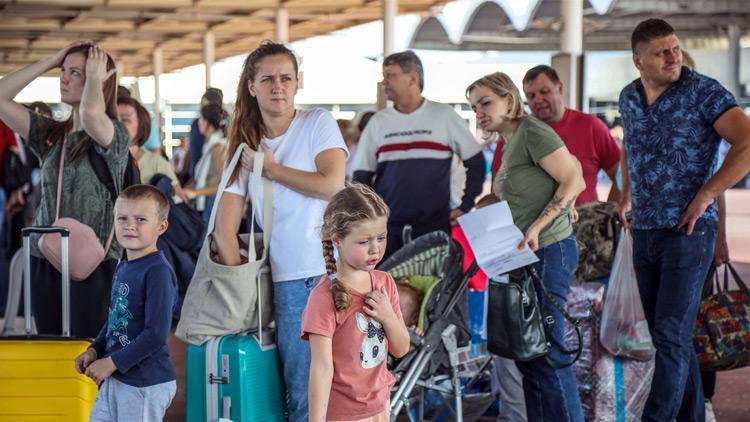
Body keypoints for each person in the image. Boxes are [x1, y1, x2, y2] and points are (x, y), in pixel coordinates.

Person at [617, 18, 750, 421]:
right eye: (662, 52)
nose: (673, 57)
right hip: (645, 231)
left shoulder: (705, 92)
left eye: (675, 48)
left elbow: (746, 141)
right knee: (669, 338)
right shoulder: (628, 97)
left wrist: (706, 194)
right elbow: (631, 145)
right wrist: (626, 192)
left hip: (690, 232)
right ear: (639, 60)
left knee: (672, 336)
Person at [213, 41, 347, 422]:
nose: (278, 86)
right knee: (304, 398)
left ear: (297, 83)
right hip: (289, 282)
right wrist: (242, 285)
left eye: (286, 78)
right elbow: (224, 231)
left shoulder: (317, 122)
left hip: (338, 273)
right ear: (251, 86)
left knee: (347, 387)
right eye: (268, 79)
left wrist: (269, 170)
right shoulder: (243, 148)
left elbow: (333, 184)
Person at [467, 72, 585, 422]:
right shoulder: (509, 141)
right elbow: (565, 172)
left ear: (509, 98)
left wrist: (539, 224)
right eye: (474, 107)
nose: (480, 112)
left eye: (486, 102)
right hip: (524, 255)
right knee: (530, 357)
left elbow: (573, 176)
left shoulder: (531, 131)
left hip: (548, 250)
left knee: (548, 354)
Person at [0, 41, 130, 337]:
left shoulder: (115, 134)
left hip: (96, 261)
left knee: (88, 350)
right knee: (51, 347)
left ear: (98, 78)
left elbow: (92, 115)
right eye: (63, 71)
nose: (64, 78)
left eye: (76, 73)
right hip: (45, 256)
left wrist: (97, 78)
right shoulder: (51, 134)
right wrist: (51, 60)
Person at [352, 51, 486, 260]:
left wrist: (465, 204)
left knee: (432, 290)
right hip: (387, 232)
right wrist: (368, 221)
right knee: (390, 291)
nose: (384, 81)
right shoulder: (378, 122)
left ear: (412, 78)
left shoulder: (443, 116)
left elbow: (476, 162)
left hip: (433, 228)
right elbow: (361, 179)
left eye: (390, 75)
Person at [302, 183, 409, 422]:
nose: (375, 249)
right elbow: (321, 368)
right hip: (343, 415)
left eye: (381, 238)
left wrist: (388, 316)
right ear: (337, 239)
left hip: (380, 406)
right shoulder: (322, 297)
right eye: (363, 242)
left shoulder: (385, 282)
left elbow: (400, 349)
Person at [75, 184, 178, 421]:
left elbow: (155, 334)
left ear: (161, 227)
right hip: (116, 377)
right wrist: (95, 349)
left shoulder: (158, 272)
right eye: (122, 218)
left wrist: (111, 362)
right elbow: (115, 319)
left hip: (144, 383)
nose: (129, 225)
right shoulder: (123, 266)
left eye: (141, 219)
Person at [522, 65, 621, 204]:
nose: (538, 99)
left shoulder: (591, 126)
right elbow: (498, 187)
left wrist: (609, 212)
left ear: (560, 88)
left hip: (583, 221)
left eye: (544, 92)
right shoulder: (519, 133)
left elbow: (621, 176)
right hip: (532, 223)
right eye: (531, 96)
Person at [116, 96, 188, 202]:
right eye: (113, 119)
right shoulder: (100, 161)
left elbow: (180, 199)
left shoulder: (157, 163)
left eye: (125, 119)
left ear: (141, 125)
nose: (117, 125)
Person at [184, 103, 227, 222]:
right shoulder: (209, 145)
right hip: (209, 204)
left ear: (209, 122)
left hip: (213, 206)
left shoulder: (218, 147)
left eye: (201, 118)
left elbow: (224, 185)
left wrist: (195, 192)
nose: (199, 122)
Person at [189, 88, 223, 178]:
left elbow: (221, 182)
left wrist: (194, 192)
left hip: (205, 180)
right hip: (197, 173)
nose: (201, 108)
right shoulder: (196, 125)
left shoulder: (218, 145)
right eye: (201, 104)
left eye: (205, 105)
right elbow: (191, 151)